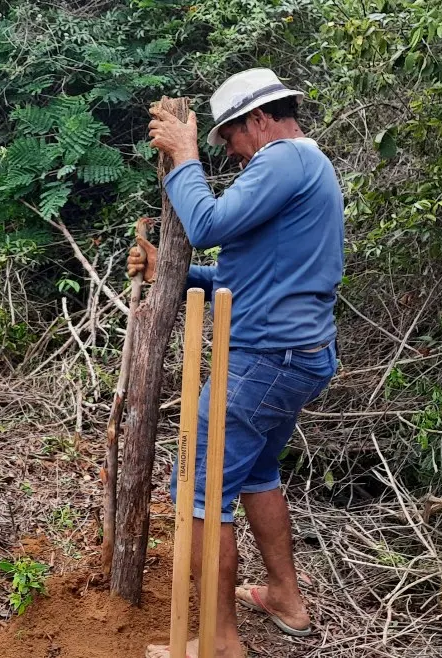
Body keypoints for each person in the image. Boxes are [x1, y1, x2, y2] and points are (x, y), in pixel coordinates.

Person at [132, 69, 344, 658]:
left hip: (264, 361)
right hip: (293, 356)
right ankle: (285, 599)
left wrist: (184, 155)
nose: (227, 149)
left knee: (199, 487)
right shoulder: (305, 168)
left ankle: (220, 643)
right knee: (256, 475)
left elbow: (206, 225)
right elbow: (235, 277)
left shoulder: (283, 159)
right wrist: (167, 274)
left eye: (228, 135)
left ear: (259, 119)